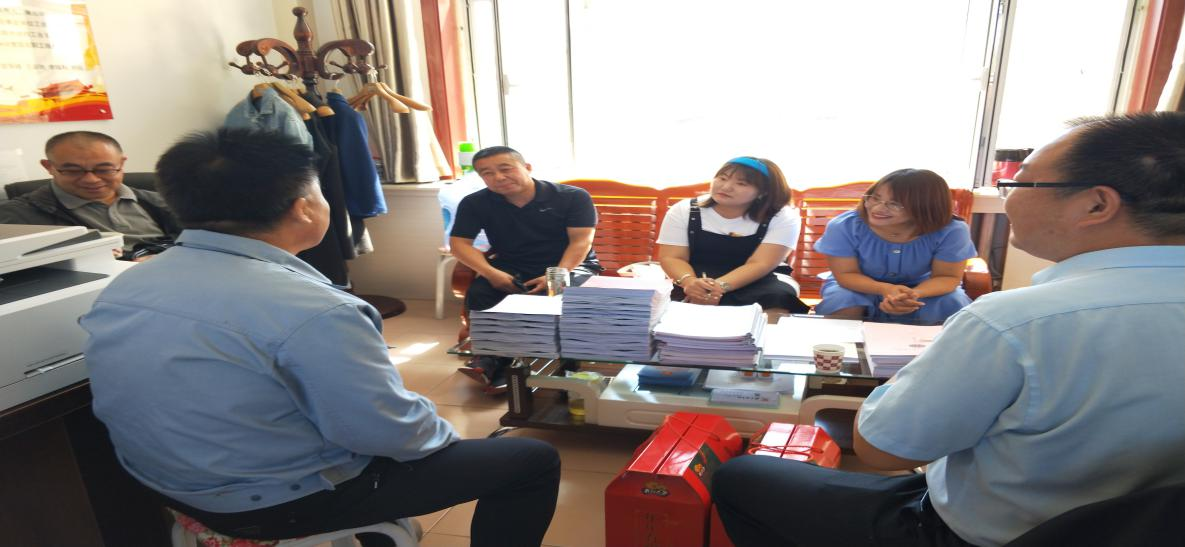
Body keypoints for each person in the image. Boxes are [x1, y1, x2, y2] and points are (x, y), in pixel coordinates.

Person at [712, 111, 1185, 547]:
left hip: (979, 534)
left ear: (1097, 204)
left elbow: (883, 450)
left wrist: (922, 370)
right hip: (1142, 528)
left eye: (1019, 182)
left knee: (742, 478)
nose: (1009, 195)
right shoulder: (1017, 319)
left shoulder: (1013, 322)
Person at [79, 128, 561, 547]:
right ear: (304, 208)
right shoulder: (316, 309)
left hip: (160, 483)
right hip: (270, 502)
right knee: (530, 460)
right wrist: (442, 434)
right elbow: (387, 432)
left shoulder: (130, 282)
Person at [450, 146, 600, 392]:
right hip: (511, 264)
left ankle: (554, 363)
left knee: (555, 296)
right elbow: (459, 244)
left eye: (505, 168)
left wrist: (557, 275)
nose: (498, 177)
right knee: (481, 292)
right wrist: (491, 273)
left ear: (527, 167)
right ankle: (490, 359)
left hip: (569, 265)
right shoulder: (475, 203)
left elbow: (581, 241)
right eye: (487, 173)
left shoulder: (572, 197)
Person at [813, 168, 978, 324]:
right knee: (843, 299)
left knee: (952, 301)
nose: (878, 208)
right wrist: (886, 289)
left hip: (925, 288)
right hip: (858, 285)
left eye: (894, 204)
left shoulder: (952, 230)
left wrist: (913, 294)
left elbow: (947, 277)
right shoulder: (845, 225)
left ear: (925, 207)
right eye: (874, 198)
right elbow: (846, 274)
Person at [656, 156, 809, 316]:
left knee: (778, 299)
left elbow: (761, 264)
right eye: (722, 178)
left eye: (741, 183)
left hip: (761, 278)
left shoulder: (782, 216)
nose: (726, 187)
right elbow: (672, 257)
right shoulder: (684, 210)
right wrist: (690, 283)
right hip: (692, 278)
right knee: (658, 300)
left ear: (763, 192)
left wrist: (717, 288)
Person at [0, 131, 180, 259]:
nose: (91, 179)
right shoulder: (17, 217)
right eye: (73, 171)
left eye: (104, 169)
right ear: (49, 167)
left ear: (121, 163)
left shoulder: (162, 201)